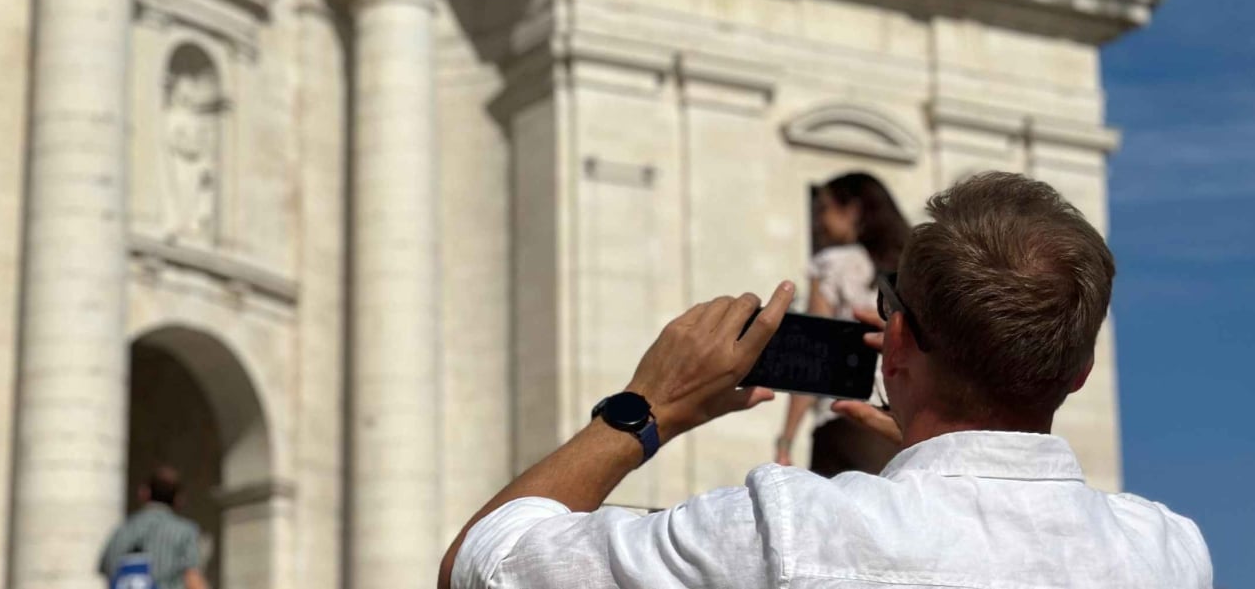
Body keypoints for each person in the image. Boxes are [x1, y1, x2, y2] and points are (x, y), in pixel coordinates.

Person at [440, 173, 1211, 589]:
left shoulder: (788, 529)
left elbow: (483, 560)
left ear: (896, 339)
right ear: (1078, 373)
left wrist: (646, 409)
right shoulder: (1170, 552)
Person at [777, 172, 910, 474]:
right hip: (905, 425)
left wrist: (785, 441)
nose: (818, 222)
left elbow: (813, 357)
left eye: (823, 209)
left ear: (852, 210)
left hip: (848, 420)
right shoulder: (913, 269)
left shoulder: (834, 264)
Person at [98, 466, 210, 589]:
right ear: (179, 499)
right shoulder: (185, 532)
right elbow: (192, 579)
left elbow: (107, 573)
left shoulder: (121, 532)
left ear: (144, 493)